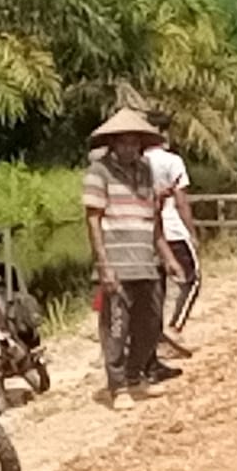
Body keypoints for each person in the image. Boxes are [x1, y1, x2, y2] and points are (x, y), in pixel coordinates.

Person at [83, 108, 185, 411]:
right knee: (116, 327)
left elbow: (153, 221)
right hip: (117, 261)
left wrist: (168, 257)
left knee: (151, 323)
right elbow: (92, 220)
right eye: (123, 143)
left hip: (145, 261)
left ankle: (135, 374)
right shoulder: (98, 173)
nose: (128, 148)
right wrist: (104, 266)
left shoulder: (145, 172)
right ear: (113, 143)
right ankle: (117, 386)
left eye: (133, 143)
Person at [144, 111, 199, 361]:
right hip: (172, 228)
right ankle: (174, 329)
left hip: (146, 230)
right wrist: (192, 231)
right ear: (165, 133)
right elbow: (181, 201)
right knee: (192, 280)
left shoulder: (137, 161)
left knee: (157, 286)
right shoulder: (172, 161)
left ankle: (153, 336)